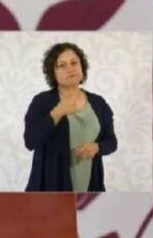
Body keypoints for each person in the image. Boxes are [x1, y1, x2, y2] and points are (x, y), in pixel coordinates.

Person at [23, 42, 117, 192]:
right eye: (62, 65)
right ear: (53, 73)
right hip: (50, 186)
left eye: (74, 63)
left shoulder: (98, 103)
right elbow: (30, 141)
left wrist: (97, 147)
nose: (70, 68)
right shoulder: (41, 101)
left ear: (82, 67)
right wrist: (57, 112)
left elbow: (111, 142)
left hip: (90, 185)